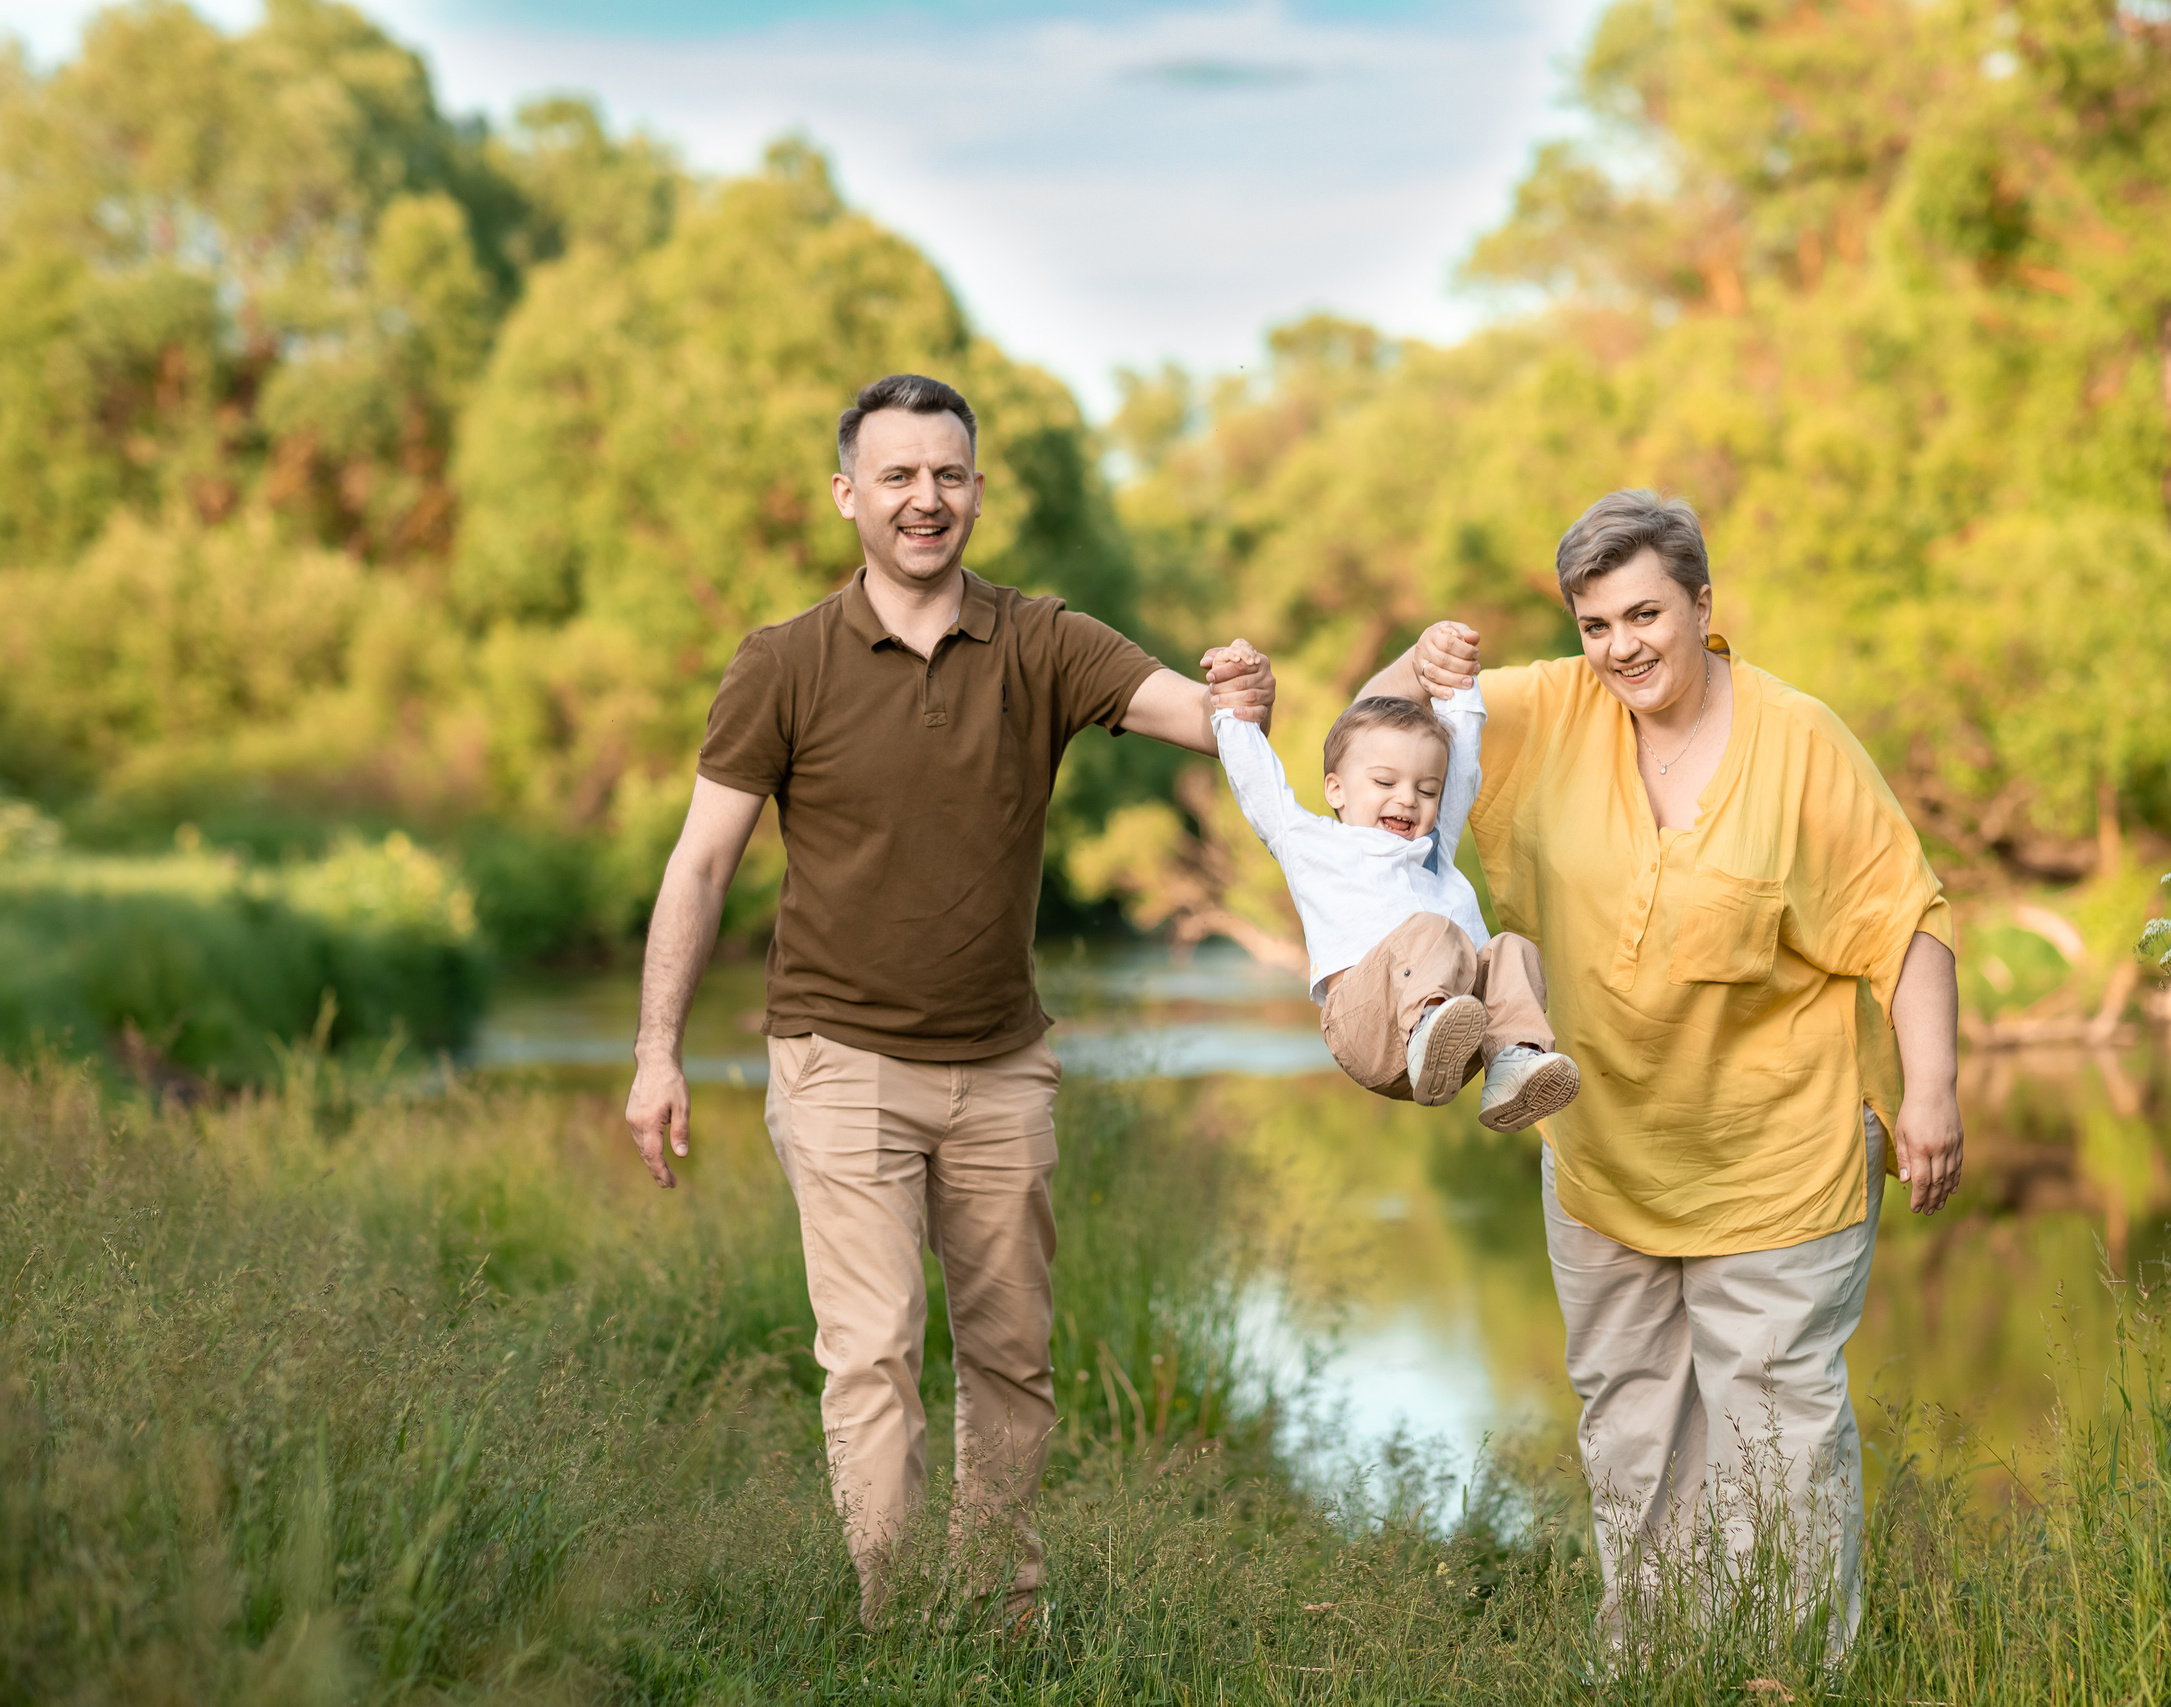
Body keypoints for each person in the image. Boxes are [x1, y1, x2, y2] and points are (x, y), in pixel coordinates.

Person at [619, 373, 1275, 1628]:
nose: (926, 499)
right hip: (838, 1060)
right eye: (900, 476)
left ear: (976, 490)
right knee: (872, 1355)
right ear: (847, 495)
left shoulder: (1044, 641)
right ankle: (897, 1625)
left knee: (1009, 1358)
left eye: (949, 475)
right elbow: (698, 865)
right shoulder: (781, 664)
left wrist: (1244, 693)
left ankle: (999, 1621)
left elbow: (1207, 724)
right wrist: (658, 1052)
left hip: (1001, 1066)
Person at [1358, 490, 1961, 1652]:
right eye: (1594, 624)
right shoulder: (1541, 711)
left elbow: (1905, 919)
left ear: (1700, 604)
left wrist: (1930, 1092)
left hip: (1780, 1155)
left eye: (1644, 615)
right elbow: (1370, 752)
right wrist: (1416, 663)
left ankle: (1785, 1672)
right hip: (1600, 1152)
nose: (1621, 647)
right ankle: (1656, 1664)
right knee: (1631, 1428)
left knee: (1775, 1441)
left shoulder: (1799, 741)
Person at [1206, 652, 1581, 1129]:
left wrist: (1459, 689)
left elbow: (1463, 773)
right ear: (1336, 790)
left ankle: (1512, 1061)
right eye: (1385, 781)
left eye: (1427, 791)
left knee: (1513, 949)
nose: (1407, 798)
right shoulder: (1313, 844)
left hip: (1458, 1041)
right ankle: (1428, 1025)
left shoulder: (1431, 851)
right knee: (1430, 930)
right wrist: (1232, 708)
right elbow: (1258, 784)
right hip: (1368, 1028)